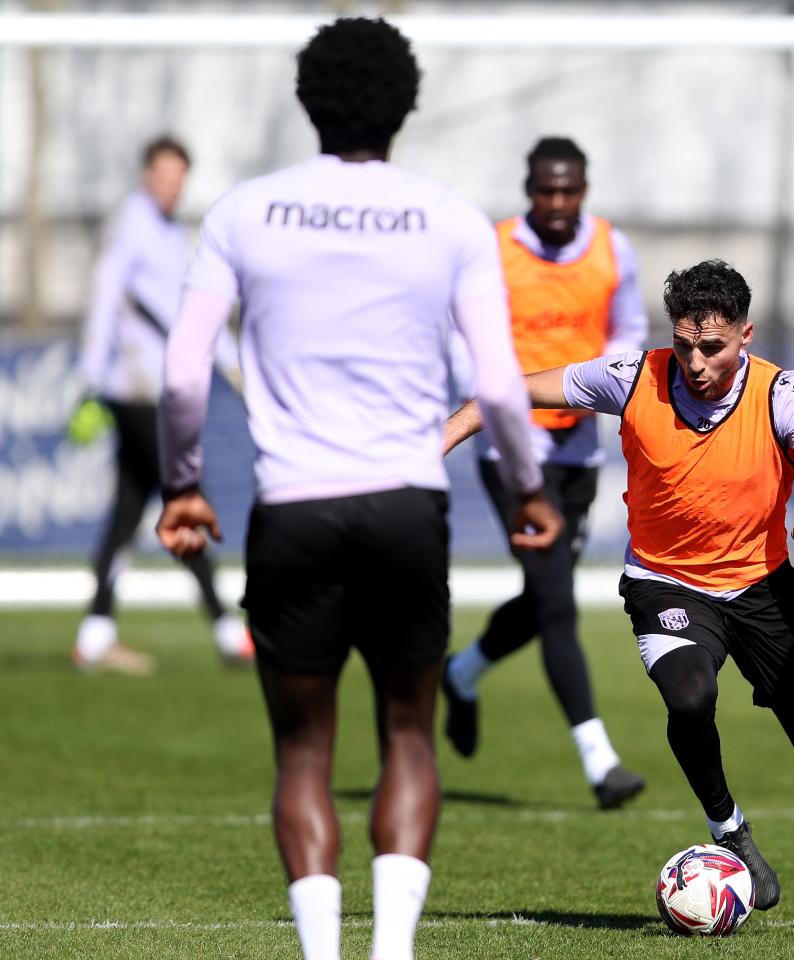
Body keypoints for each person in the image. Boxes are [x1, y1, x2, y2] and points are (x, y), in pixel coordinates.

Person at [153, 18, 561, 960]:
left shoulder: (243, 213)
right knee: (408, 735)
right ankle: (394, 953)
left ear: (307, 101)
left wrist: (182, 485)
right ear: (406, 105)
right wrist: (531, 490)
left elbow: (183, 374)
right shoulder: (453, 218)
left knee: (303, 751)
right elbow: (498, 385)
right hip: (406, 506)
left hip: (292, 508)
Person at [445, 259, 794, 931]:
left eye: (712, 347)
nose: (696, 361)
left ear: (746, 335)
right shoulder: (632, 378)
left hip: (762, 587)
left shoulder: (780, 394)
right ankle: (728, 828)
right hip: (666, 581)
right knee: (688, 695)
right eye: (684, 344)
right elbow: (501, 394)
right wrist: (434, 442)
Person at [441, 136, 647, 809]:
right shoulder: (492, 247)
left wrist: (590, 387)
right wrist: (499, 397)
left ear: (583, 191)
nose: (557, 204)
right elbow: (462, 339)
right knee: (557, 602)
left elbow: (629, 330)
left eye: (568, 192)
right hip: (511, 449)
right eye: (545, 191)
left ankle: (463, 675)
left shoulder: (613, 248)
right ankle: (600, 760)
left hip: (578, 452)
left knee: (544, 592)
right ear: (529, 190)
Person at [70, 135, 249, 675]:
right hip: (141, 390)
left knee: (128, 512)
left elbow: (195, 312)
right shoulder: (135, 223)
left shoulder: (173, 233)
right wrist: (89, 377)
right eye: (164, 173)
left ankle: (95, 633)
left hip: (158, 390)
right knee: (188, 500)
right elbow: (106, 293)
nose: (172, 184)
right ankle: (226, 628)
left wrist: (239, 366)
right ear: (147, 174)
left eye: (180, 175)